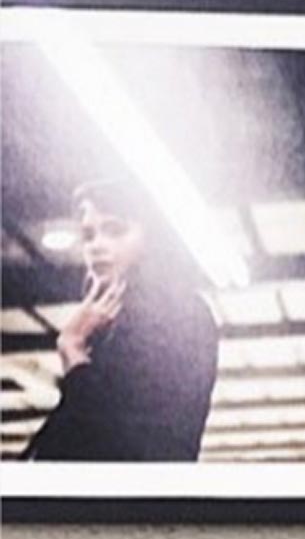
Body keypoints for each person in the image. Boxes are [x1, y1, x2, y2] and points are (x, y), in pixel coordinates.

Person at [27, 178, 221, 462]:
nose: (96, 246)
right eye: (89, 235)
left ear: (152, 239)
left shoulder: (179, 314)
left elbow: (118, 441)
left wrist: (73, 352)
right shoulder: (109, 324)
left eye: (115, 230)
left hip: (133, 501)